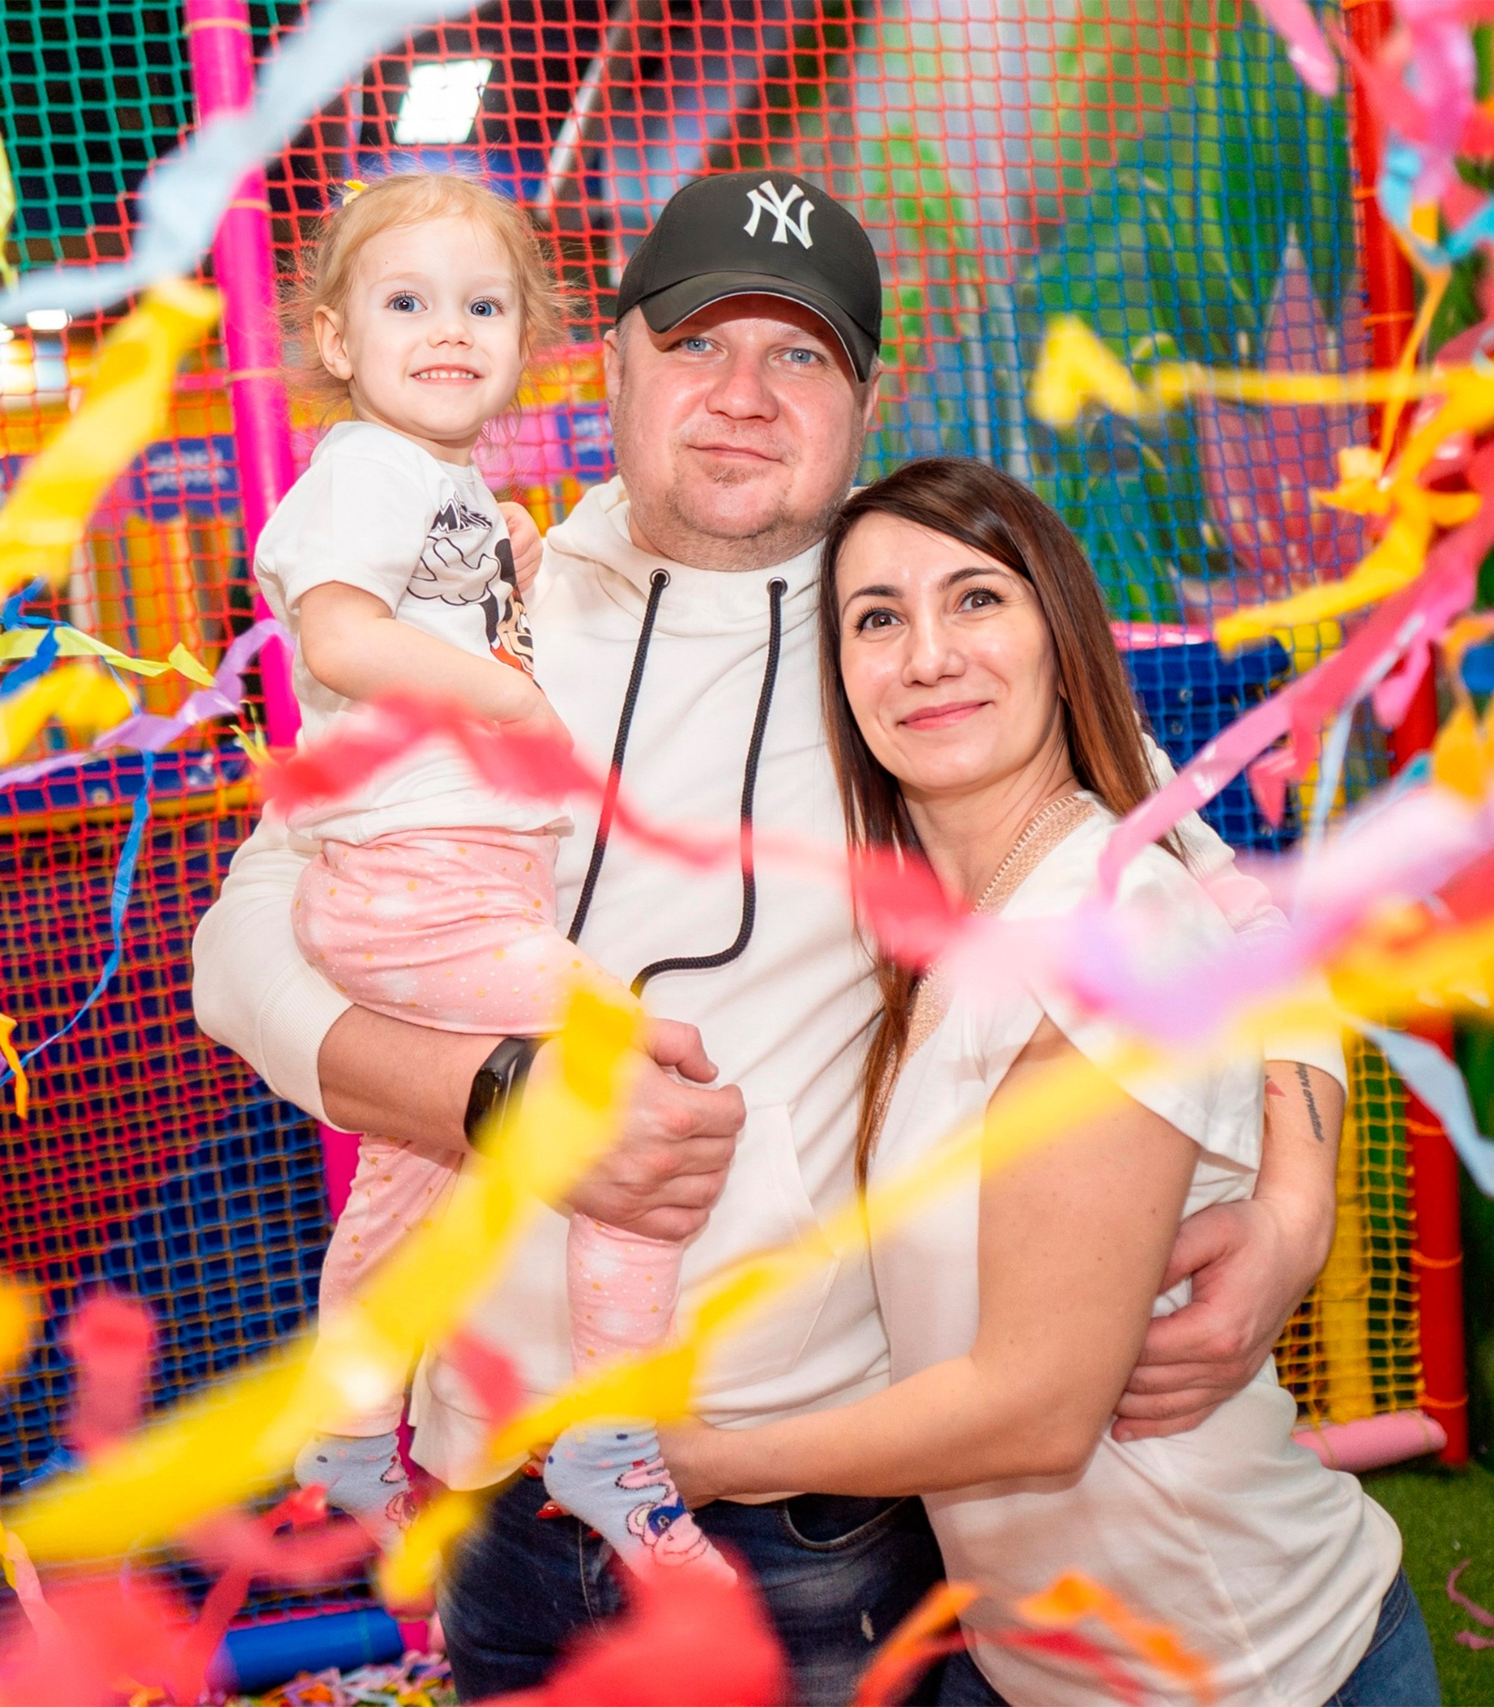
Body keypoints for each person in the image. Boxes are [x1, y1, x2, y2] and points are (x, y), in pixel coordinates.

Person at [194, 169, 1347, 1703]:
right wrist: (484, 1096)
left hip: (806, 1522)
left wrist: (1291, 1200)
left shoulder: (918, 638)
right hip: (491, 1498)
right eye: (696, 343)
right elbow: (246, 937)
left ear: (861, 399)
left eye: (798, 355)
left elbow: (1234, 914)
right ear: (606, 361)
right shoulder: (475, 603)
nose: (742, 396)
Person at [661, 458, 1437, 1707]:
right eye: (876, 618)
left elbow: (1035, 1408)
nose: (924, 655)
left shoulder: (1099, 919)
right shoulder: (960, 893)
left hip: (1257, 1668)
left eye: (975, 599)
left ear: (1056, 632)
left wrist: (699, 1461)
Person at [255, 170, 731, 1581]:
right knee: (651, 1088)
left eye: (482, 305)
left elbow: (409, 602)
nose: (448, 328)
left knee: (412, 1174)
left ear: (526, 336)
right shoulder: (364, 468)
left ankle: (343, 1438)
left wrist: (503, 577)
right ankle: (605, 1432)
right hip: (422, 891)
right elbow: (336, 635)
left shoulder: (445, 486)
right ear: (336, 339)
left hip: (449, 890)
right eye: (406, 303)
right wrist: (497, 690)